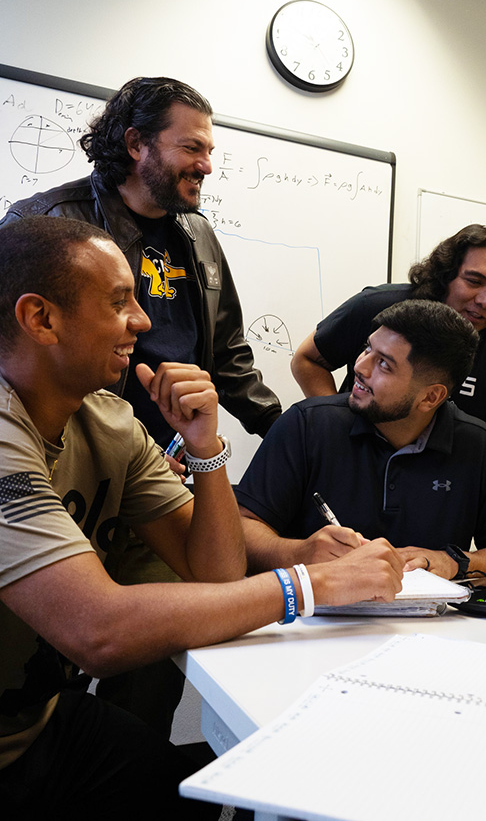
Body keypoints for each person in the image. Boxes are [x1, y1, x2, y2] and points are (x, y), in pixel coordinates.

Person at [0, 217, 403, 819]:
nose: (143, 321)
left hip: (38, 723)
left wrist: (205, 447)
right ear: (41, 319)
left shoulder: (109, 421)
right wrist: (310, 584)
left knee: (202, 792)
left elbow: (215, 576)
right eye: (119, 302)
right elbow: (97, 632)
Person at [0, 76, 281, 735]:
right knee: (65, 633)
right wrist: (305, 586)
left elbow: (231, 353)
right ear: (136, 144)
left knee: (145, 686)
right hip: (65, 458)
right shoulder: (50, 224)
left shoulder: (198, 235)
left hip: (151, 470)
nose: (207, 164)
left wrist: (294, 431)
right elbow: (12, 338)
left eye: (210, 150)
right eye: (193, 147)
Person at [240, 299, 486, 579]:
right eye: (367, 349)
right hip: (311, 620)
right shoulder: (306, 425)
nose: (360, 367)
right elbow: (241, 529)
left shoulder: (481, 446)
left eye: (384, 364)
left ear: (431, 397)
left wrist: (454, 561)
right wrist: (300, 552)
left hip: (432, 628)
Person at [290, 224, 486, 478]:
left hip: (438, 492)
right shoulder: (378, 308)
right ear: (446, 275)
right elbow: (307, 360)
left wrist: (457, 468)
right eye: (474, 281)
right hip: (351, 470)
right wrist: (341, 429)